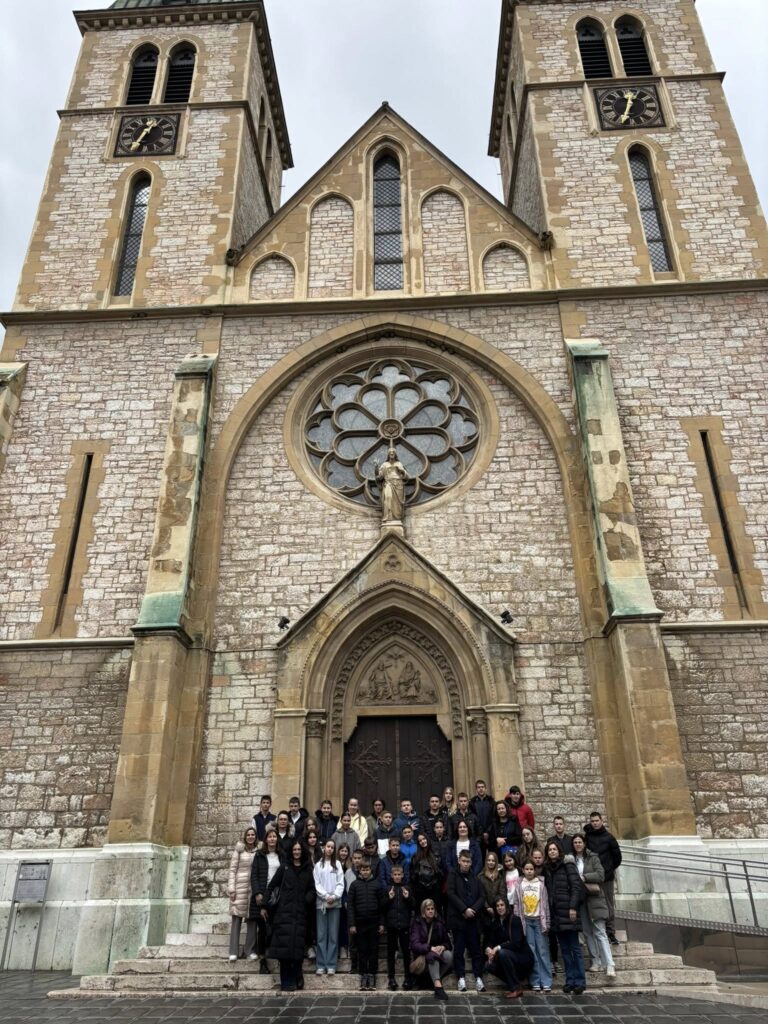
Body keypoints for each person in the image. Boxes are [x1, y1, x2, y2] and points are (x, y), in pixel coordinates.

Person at [267, 839, 316, 993]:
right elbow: (272, 886)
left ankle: (296, 977)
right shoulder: (284, 867)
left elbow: (312, 889)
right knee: (284, 951)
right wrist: (266, 905)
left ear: (303, 851)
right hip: (284, 914)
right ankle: (286, 982)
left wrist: (306, 900)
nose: (296, 852)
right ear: (291, 851)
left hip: (300, 914)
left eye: (299, 850)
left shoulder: (308, 869)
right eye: (294, 850)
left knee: (296, 949)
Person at [543, 841, 586, 994]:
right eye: (549, 850)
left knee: (575, 948)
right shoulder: (547, 869)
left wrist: (573, 907)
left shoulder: (568, 865)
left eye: (554, 849)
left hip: (569, 912)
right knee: (565, 950)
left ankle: (580, 981)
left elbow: (576, 887)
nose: (552, 852)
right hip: (556, 914)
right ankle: (570, 980)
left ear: (559, 851)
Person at [571, 833, 615, 978]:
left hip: (595, 899)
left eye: (579, 842)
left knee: (600, 931)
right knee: (587, 932)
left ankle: (609, 964)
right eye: (575, 842)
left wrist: (584, 877)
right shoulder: (571, 860)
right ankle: (596, 961)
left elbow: (601, 875)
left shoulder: (593, 858)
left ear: (584, 843)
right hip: (581, 900)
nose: (577, 844)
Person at [446, 848, 486, 992]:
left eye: (468, 861)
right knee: (459, 950)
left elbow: (482, 896)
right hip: (458, 920)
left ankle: (478, 977)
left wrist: (473, 909)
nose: (466, 864)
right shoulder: (452, 875)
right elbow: (451, 893)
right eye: (463, 861)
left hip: (473, 920)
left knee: (476, 950)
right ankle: (461, 978)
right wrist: (464, 909)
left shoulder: (475, 877)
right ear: (459, 861)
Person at [512, 859, 552, 992]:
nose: (529, 871)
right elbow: (516, 904)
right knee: (532, 951)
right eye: (527, 869)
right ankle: (535, 980)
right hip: (526, 921)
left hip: (539, 921)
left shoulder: (541, 884)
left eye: (531, 869)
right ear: (523, 870)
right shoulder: (519, 884)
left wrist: (547, 922)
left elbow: (545, 904)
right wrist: (518, 922)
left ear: (535, 870)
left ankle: (546, 981)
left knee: (543, 950)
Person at [250, 824, 284, 974]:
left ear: (277, 839)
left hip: (277, 896)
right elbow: (254, 875)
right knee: (263, 929)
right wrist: (257, 893)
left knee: (276, 927)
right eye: (270, 837)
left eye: (274, 837)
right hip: (262, 895)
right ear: (266, 839)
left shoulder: (281, 855)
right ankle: (262, 960)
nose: (272, 839)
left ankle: (276, 956)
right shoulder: (259, 855)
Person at [483, 897, 534, 998]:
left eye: (502, 905)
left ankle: (515, 988)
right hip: (508, 959)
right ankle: (516, 983)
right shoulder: (495, 922)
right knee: (488, 965)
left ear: (506, 906)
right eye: (497, 906)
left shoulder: (515, 920)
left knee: (502, 953)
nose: (500, 908)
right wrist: (488, 949)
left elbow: (516, 943)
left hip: (523, 958)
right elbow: (489, 941)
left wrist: (497, 948)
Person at [583, 811, 622, 944]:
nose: (595, 823)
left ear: (601, 821)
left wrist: (609, 869)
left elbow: (617, 857)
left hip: (607, 878)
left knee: (608, 904)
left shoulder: (609, 838)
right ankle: (596, 929)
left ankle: (610, 932)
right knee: (593, 903)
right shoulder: (587, 837)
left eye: (597, 821)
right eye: (592, 821)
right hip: (593, 878)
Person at [348, 857, 384, 991]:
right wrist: (352, 924)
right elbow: (350, 906)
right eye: (363, 870)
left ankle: (372, 975)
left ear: (371, 870)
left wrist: (381, 923)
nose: (365, 872)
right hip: (360, 924)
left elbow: (381, 906)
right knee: (362, 950)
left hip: (374, 923)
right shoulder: (354, 885)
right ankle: (363, 975)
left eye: (367, 869)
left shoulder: (377, 885)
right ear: (359, 871)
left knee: (373, 950)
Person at [410, 898, 454, 1000]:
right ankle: (438, 987)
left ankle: (432, 981)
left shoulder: (439, 922)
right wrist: (430, 948)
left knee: (448, 955)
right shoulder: (417, 923)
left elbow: (448, 943)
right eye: (428, 909)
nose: (430, 911)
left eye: (432, 909)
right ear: (423, 911)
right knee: (432, 956)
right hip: (422, 958)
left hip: (437, 955)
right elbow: (414, 945)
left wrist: (442, 947)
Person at [313, 838, 345, 976]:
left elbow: (340, 883)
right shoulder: (318, 865)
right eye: (328, 846)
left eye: (332, 847)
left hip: (335, 904)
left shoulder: (337, 864)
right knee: (321, 935)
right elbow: (317, 883)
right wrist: (326, 896)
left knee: (333, 935)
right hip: (321, 904)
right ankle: (321, 964)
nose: (330, 849)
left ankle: (331, 965)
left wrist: (334, 896)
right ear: (324, 848)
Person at [227, 827, 258, 962]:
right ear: (245, 837)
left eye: (253, 835)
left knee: (252, 919)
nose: (250, 837)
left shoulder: (258, 851)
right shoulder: (239, 850)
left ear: (255, 837)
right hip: (239, 888)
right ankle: (233, 951)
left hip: (253, 888)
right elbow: (232, 870)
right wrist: (231, 889)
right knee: (236, 919)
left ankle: (249, 950)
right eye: (248, 835)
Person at [383, 862, 414, 990]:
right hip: (391, 926)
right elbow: (382, 907)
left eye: (399, 874)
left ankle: (408, 978)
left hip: (404, 925)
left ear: (402, 875)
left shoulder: (407, 888)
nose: (397, 876)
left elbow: (413, 905)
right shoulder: (387, 889)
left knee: (406, 952)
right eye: (395, 874)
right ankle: (391, 978)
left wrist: (407, 897)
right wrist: (389, 898)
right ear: (391, 875)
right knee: (391, 953)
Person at [410, 832, 444, 914]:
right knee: (421, 913)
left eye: (424, 839)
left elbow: (441, 872)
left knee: (436, 912)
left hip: (435, 889)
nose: (422, 841)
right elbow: (413, 874)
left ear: (427, 839)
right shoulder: (415, 857)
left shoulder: (436, 854)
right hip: (421, 890)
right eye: (420, 840)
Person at [478, 851, 505, 937]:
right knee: (486, 935)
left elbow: (502, 892)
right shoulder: (480, 877)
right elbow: (480, 894)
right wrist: (487, 907)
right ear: (486, 861)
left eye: (493, 861)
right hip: (484, 911)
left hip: (497, 909)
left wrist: (496, 907)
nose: (491, 862)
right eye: (489, 860)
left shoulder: (500, 876)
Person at [469, 780, 495, 852]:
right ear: (476, 789)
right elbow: (473, 819)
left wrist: (488, 832)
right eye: (479, 787)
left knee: (492, 855)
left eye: (482, 787)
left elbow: (493, 818)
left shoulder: (491, 801)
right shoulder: (472, 803)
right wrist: (482, 833)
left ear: (485, 789)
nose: (481, 789)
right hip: (478, 835)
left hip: (490, 834)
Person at [337, 843, 352, 960]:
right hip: (337, 898)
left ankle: (346, 946)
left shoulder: (350, 866)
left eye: (346, 851)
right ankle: (341, 947)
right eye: (342, 850)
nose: (343, 853)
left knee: (347, 924)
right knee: (340, 924)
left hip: (347, 899)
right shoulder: (335, 864)